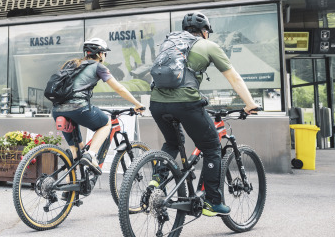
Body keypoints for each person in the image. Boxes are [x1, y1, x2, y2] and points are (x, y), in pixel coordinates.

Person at [149, 12, 259, 216]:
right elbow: (234, 78)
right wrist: (250, 104)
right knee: (212, 147)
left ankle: (157, 179)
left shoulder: (169, 44)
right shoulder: (208, 45)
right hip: (185, 103)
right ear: (205, 31)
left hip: (156, 103)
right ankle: (212, 201)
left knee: (172, 142)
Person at [52, 37, 146, 174]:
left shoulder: (72, 64)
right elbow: (119, 88)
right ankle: (91, 155)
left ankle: (70, 187)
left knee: (75, 152)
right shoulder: (98, 67)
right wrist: (137, 104)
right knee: (106, 123)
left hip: (57, 110)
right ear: (101, 54)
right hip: (78, 108)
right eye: (105, 53)